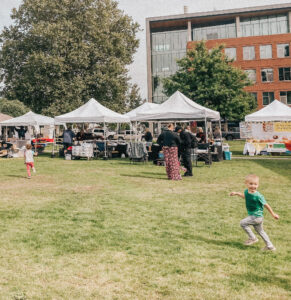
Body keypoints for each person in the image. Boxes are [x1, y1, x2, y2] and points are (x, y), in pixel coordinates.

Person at [230, 174, 279, 251]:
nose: (253, 186)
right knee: (261, 232)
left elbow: (266, 205)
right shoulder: (246, 191)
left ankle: (253, 238)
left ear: (258, 185)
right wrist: (236, 193)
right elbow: (245, 196)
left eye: (255, 184)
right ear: (246, 184)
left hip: (256, 216)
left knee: (243, 223)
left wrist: (273, 214)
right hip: (256, 217)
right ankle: (270, 246)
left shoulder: (258, 196)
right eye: (251, 184)